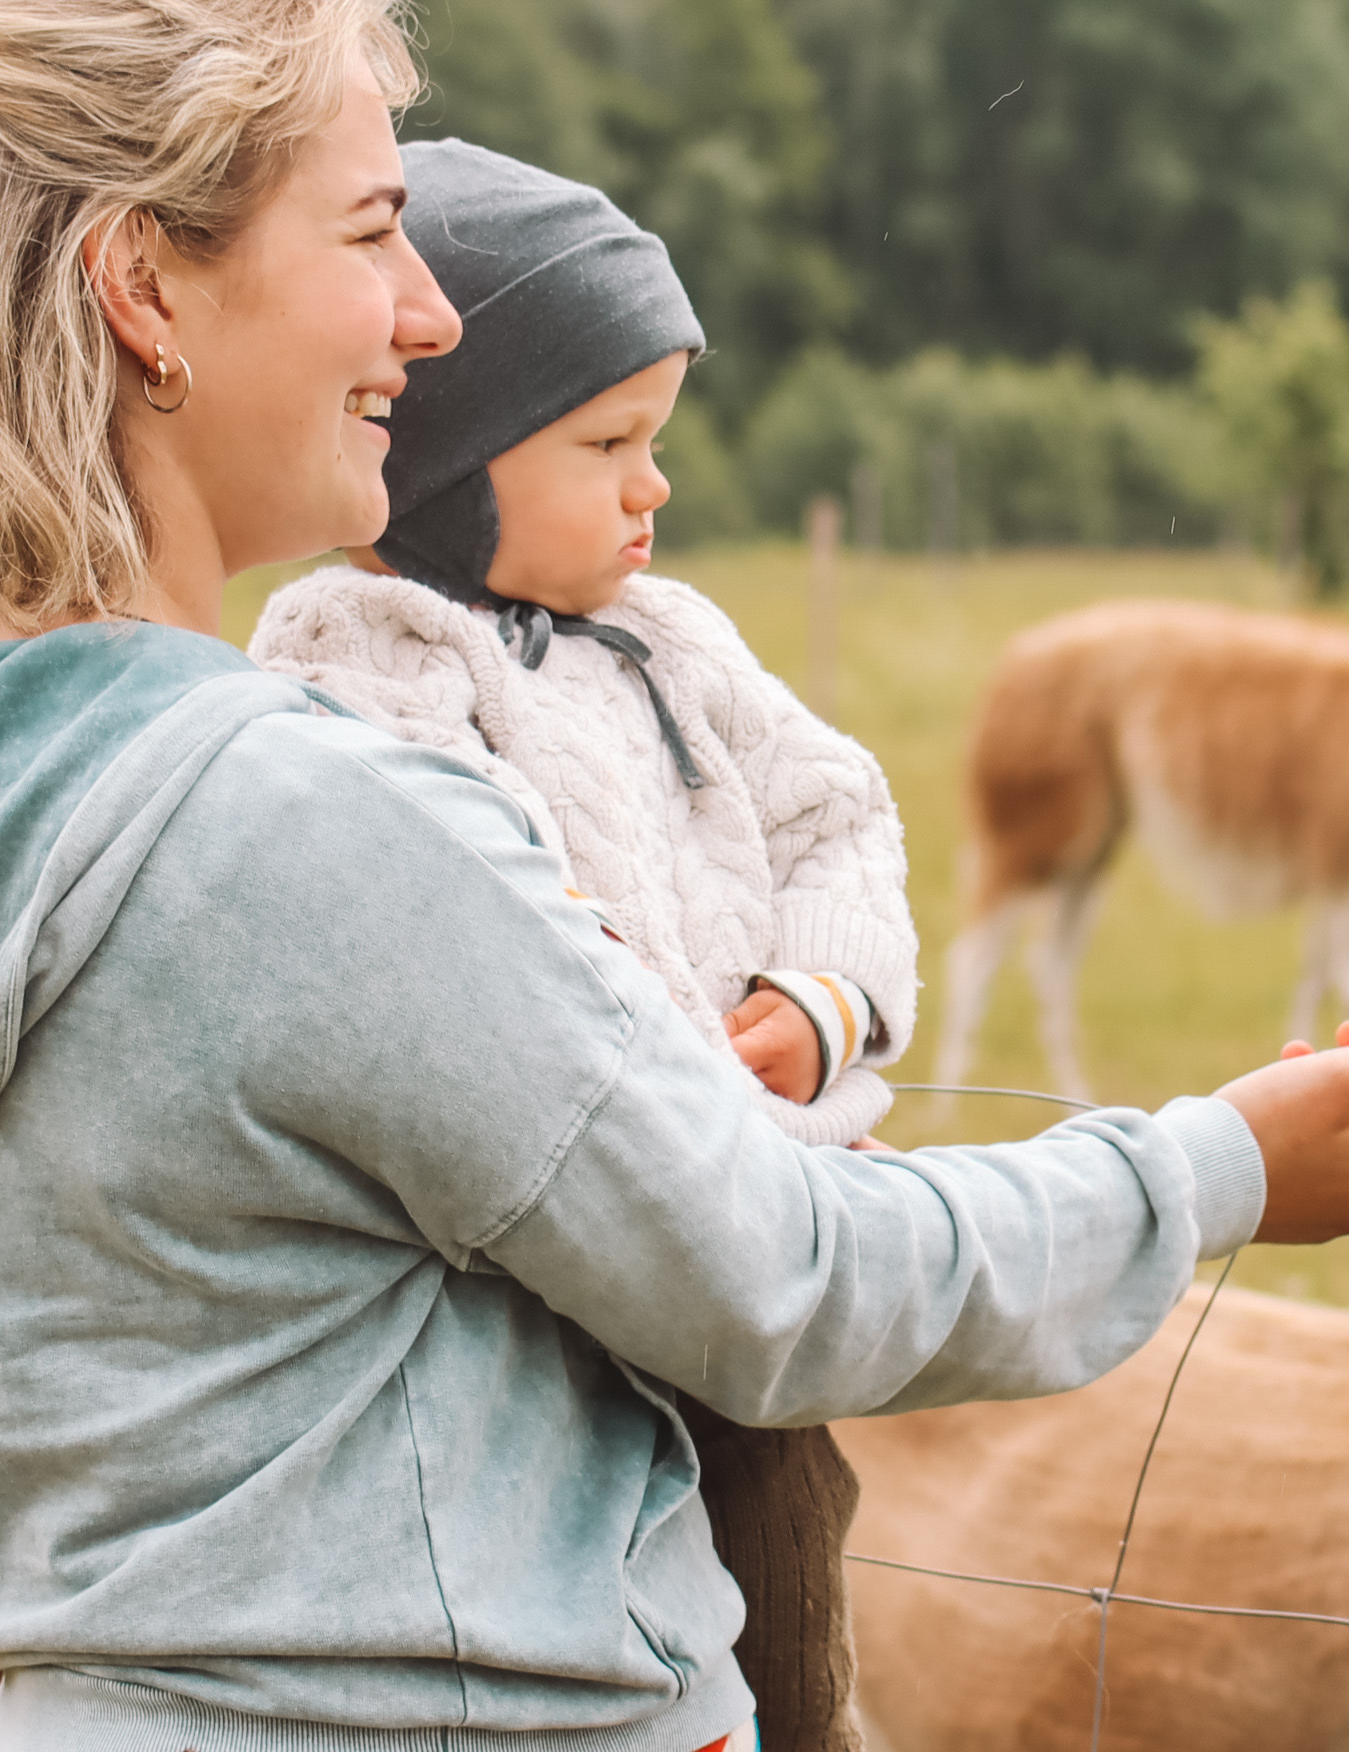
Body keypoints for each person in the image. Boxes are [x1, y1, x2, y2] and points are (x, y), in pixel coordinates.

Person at [0, 0, 1349, 1752]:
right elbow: (783, 1278)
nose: (429, 319)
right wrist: (1221, 1169)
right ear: (142, 290)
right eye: (372, 233)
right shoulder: (301, 828)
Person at [249, 142, 915, 1748]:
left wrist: (823, 995)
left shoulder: (678, 643)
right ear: (446, 460)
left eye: (659, 440)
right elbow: (486, 938)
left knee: (783, 1570)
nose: (654, 486)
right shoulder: (371, 666)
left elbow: (840, 813)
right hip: (557, 1261)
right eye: (608, 440)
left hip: (764, 1233)